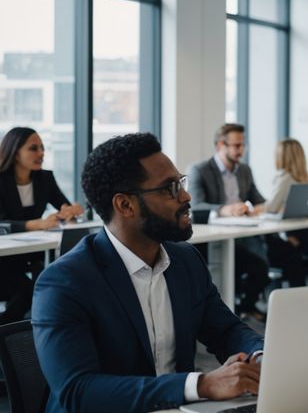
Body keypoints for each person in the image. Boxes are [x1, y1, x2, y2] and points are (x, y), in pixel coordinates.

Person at [33, 133, 264, 413]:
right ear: (126, 205)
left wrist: (262, 357)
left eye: (180, 183)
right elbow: (78, 391)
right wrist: (200, 384)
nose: (186, 196)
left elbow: (225, 329)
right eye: (170, 188)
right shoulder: (64, 282)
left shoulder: (186, 260)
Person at [186, 123, 271, 321]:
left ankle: (244, 307)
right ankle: (223, 316)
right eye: (236, 145)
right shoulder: (200, 170)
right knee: (233, 270)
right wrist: (225, 209)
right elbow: (196, 206)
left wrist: (256, 208)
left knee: (261, 267)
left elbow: (259, 200)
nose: (241, 150)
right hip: (213, 238)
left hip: (242, 233)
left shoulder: (244, 171)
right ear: (220, 146)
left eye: (242, 145)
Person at [0, 127, 84, 324]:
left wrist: (71, 211)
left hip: (32, 253)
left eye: (43, 148)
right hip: (5, 259)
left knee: (53, 281)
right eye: (33, 148)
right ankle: (10, 335)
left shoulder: (44, 178)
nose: (41, 153)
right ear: (15, 152)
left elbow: (63, 205)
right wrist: (36, 224)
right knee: (25, 291)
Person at [263, 138, 308, 287]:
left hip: (288, 237)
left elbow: (270, 207)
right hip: (304, 236)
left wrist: (252, 209)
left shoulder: (285, 178)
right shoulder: (306, 177)